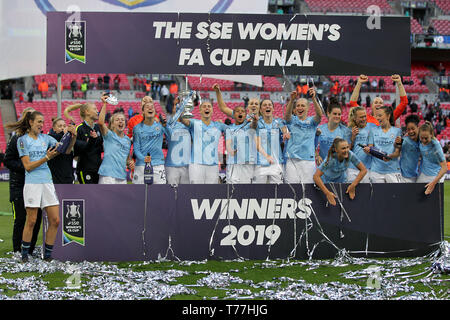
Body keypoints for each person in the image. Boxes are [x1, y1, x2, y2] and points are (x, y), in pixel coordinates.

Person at [9, 111, 62, 262]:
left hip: (47, 181)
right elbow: (28, 166)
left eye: (42, 121)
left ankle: (48, 255)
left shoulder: (46, 138)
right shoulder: (22, 141)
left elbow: (63, 149)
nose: (41, 124)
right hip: (32, 182)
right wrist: (46, 157)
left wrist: (70, 137)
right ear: (30, 122)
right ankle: (24, 255)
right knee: (31, 220)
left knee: (55, 220)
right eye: (38, 121)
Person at [4, 108, 42, 256]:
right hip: (19, 184)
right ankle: (17, 250)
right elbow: (7, 160)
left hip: (36, 183)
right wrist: (26, 168)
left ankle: (30, 249)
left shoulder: (40, 138)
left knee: (37, 218)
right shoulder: (17, 139)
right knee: (20, 218)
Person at [214, 84, 256, 184]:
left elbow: (254, 125)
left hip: (247, 163)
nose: (240, 113)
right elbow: (223, 107)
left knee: (247, 192)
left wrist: (255, 120)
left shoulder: (249, 125)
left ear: (246, 115)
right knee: (232, 192)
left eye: (242, 111)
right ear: (233, 114)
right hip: (233, 164)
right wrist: (218, 92)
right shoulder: (228, 128)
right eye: (237, 111)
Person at [180, 100, 228, 184]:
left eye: (209, 106)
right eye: (204, 106)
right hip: (196, 165)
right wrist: (182, 107)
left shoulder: (219, 125)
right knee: (196, 192)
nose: (207, 108)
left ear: (212, 110)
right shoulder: (194, 123)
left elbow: (234, 130)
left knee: (211, 194)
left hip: (213, 165)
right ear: (200, 110)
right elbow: (183, 120)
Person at [283, 87, 323, 184]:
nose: (300, 107)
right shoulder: (292, 120)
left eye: (303, 106)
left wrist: (313, 99)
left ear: (308, 108)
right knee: (291, 187)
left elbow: (319, 115)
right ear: (295, 108)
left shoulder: (312, 122)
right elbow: (287, 116)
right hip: (292, 160)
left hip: (308, 160)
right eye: (298, 106)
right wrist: (292, 100)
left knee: (308, 188)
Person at [313, 137, 367, 206]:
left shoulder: (350, 154)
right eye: (343, 148)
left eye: (347, 147)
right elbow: (316, 176)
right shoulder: (330, 159)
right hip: (326, 183)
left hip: (341, 181)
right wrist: (327, 193)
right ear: (336, 150)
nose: (346, 150)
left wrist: (353, 185)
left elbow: (363, 170)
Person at [97, 94, 134, 184]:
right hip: (107, 175)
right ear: (112, 124)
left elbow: (126, 157)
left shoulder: (128, 140)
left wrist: (130, 162)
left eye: (122, 120)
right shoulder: (108, 135)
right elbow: (101, 123)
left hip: (122, 177)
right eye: (117, 120)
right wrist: (105, 104)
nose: (120, 121)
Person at [64, 101, 103, 184]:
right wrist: (92, 140)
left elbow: (101, 147)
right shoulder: (79, 129)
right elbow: (79, 149)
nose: (97, 111)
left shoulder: (98, 128)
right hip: (85, 169)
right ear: (87, 112)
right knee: (88, 195)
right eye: (95, 109)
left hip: (99, 169)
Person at [252, 99, 289, 184]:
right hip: (260, 163)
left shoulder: (278, 122)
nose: (267, 106)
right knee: (258, 192)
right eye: (264, 105)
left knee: (277, 193)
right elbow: (257, 142)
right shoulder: (257, 123)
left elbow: (284, 129)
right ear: (261, 110)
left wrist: (285, 133)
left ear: (273, 108)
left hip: (276, 163)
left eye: (269, 105)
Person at [132, 99, 167, 184]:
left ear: (155, 112)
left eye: (152, 107)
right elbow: (136, 149)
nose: (150, 108)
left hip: (158, 164)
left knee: (159, 193)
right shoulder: (137, 128)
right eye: (147, 107)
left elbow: (171, 136)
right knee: (138, 194)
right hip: (141, 165)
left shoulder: (160, 126)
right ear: (143, 112)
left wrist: (166, 126)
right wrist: (143, 158)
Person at [364, 106, 402, 183]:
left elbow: (397, 152)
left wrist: (390, 156)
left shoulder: (397, 131)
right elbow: (370, 149)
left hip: (393, 171)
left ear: (388, 116)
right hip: (376, 172)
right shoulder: (373, 131)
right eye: (377, 116)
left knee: (396, 194)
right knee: (378, 195)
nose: (378, 118)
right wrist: (367, 150)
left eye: (380, 115)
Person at [316, 98, 352, 166]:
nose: (337, 116)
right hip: (323, 167)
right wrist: (317, 155)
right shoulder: (320, 129)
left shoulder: (345, 131)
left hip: (338, 167)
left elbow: (347, 151)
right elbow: (313, 145)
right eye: (335, 114)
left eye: (339, 114)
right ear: (328, 113)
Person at [165, 97, 191, 184]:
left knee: (186, 194)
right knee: (171, 193)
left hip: (186, 165)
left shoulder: (189, 125)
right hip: (172, 165)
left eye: (179, 108)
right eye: (175, 107)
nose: (177, 110)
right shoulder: (169, 125)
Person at [347, 106, 375, 183]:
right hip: (352, 168)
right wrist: (352, 138)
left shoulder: (372, 127)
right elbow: (347, 150)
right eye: (361, 117)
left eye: (364, 116)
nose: (363, 119)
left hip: (366, 168)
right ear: (355, 118)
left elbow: (373, 147)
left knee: (365, 192)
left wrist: (370, 150)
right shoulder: (349, 129)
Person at [417, 121, 447, 194]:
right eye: (422, 138)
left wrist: (433, 183)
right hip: (424, 173)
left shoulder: (435, 145)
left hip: (435, 175)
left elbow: (444, 168)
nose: (424, 140)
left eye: (426, 138)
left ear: (431, 135)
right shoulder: (419, 140)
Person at [47, 118, 77, 184]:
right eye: (60, 126)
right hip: (55, 176)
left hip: (68, 174)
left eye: (64, 126)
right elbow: (61, 145)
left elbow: (68, 150)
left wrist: (74, 136)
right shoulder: (50, 138)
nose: (62, 128)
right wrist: (65, 135)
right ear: (54, 128)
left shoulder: (68, 137)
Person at [398, 115, 420, 183]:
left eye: (413, 128)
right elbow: (397, 147)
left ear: (418, 128)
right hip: (403, 177)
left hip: (416, 176)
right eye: (408, 129)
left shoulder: (422, 141)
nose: (411, 131)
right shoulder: (405, 141)